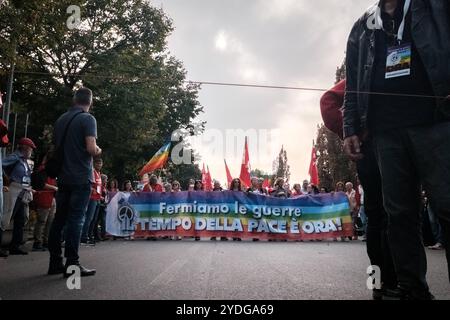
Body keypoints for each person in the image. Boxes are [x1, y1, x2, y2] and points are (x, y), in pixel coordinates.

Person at [343, 0, 450, 299]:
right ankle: (412, 289)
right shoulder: (362, 26)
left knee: (447, 207)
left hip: (437, 124)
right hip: (384, 134)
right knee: (399, 215)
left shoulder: (435, 7)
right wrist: (350, 127)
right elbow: (353, 82)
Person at [321, 80, 398, 300]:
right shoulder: (366, 65)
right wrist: (353, 132)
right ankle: (380, 282)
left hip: (405, 144)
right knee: (378, 217)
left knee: (401, 215)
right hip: (372, 150)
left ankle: (405, 282)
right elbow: (327, 101)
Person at [48, 87, 101, 277]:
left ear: (74, 99)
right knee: (76, 220)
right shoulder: (88, 119)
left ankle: (54, 263)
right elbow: (91, 148)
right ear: (90, 101)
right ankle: (72, 264)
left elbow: (54, 147)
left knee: (59, 220)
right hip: (80, 177)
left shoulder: (61, 119)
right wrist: (98, 150)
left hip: (63, 177)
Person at [1, 138, 36, 256]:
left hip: (23, 192)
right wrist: (4, 182)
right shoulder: (15, 157)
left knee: (21, 219)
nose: (31, 151)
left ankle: (15, 245)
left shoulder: (24, 161)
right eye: (31, 148)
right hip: (14, 190)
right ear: (25, 148)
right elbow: (1, 165)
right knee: (6, 216)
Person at [32, 153, 58, 251]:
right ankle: (37, 242)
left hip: (51, 198)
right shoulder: (42, 169)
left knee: (50, 221)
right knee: (42, 221)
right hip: (44, 197)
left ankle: (46, 241)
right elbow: (41, 184)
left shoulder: (53, 171)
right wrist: (54, 188)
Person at [81, 157, 103, 246]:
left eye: (100, 164)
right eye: (98, 163)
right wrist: (91, 190)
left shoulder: (98, 173)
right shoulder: (92, 172)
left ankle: (90, 235)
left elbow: (99, 186)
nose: (99, 165)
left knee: (94, 219)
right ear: (94, 164)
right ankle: (84, 237)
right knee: (88, 218)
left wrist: (100, 195)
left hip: (97, 198)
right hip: (91, 198)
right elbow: (87, 183)